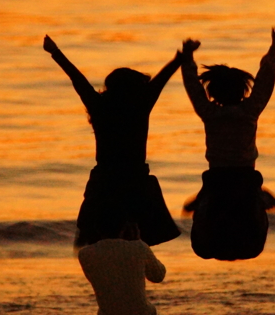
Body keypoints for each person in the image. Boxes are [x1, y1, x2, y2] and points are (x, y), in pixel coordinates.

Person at [43, 34, 182, 247]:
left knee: (102, 239)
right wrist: (179, 60)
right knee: (135, 241)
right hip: (136, 182)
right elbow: (160, 81)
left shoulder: (99, 106)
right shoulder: (140, 105)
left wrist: (56, 52)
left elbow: (77, 79)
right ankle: (135, 267)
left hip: (106, 182)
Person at [180, 26, 275, 261]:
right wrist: (274, 46)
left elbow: (193, 88)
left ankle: (206, 204)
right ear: (242, 91)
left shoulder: (209, 112)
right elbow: (266, 81)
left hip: (217, 178)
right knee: (252, 196)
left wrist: (188, 58)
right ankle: (260, 198)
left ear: (213, 93)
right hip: (245, 178)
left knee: (204, 206)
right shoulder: (250, 111)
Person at [72, 222, 166, 315]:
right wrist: (138, 242)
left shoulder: (85, 254)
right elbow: (158, 276)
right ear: (125, 228)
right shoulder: (138, 248)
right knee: (134, 313)